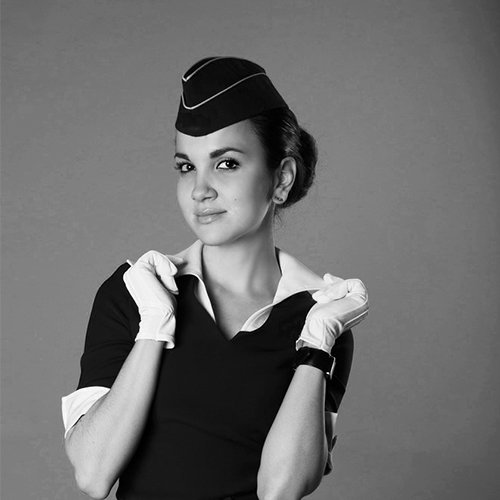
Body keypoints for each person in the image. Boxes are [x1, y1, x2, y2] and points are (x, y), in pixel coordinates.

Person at [61, 56, 369, 500]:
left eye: (226, 164)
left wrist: (318, 345)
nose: (200, 190)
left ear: (281, 179)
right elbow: (93, 474)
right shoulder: (136, 292)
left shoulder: (322, 316)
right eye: (187, 166)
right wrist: (153, 328)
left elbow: (282, 489)